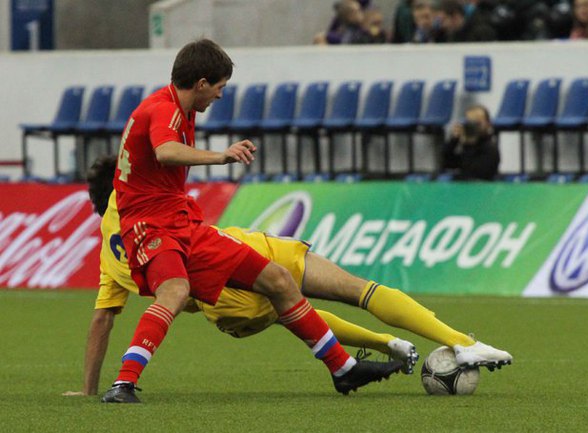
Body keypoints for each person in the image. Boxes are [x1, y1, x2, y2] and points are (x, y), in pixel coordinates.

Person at [102, 39, 403, 403]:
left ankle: (343, 368)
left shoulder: (179, 108)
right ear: (201, 83)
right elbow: (165, 151)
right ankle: (123, 384)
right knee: (175, 291)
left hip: (181, 222)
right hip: (149, 226)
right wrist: (221, 157)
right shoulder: (164, 109)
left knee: (278, 279)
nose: (220, 95)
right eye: (219, 87)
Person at [76, 155, 512, 397]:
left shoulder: (111, 259)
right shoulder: (136, 198)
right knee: (357, 290)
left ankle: (387, 344)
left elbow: (101, 320)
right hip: (242, 255)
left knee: (295, 313)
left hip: (224, 303)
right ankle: (460, 342)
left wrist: (88, 390)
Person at [441, 104, 500, 181]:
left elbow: (477, 175)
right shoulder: (465, 145)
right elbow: (447, 164)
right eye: (470, 123)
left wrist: (469, 145)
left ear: (488, 124)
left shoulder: (490, 148)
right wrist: (454, 140)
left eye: (478, 123)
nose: (473, 126)